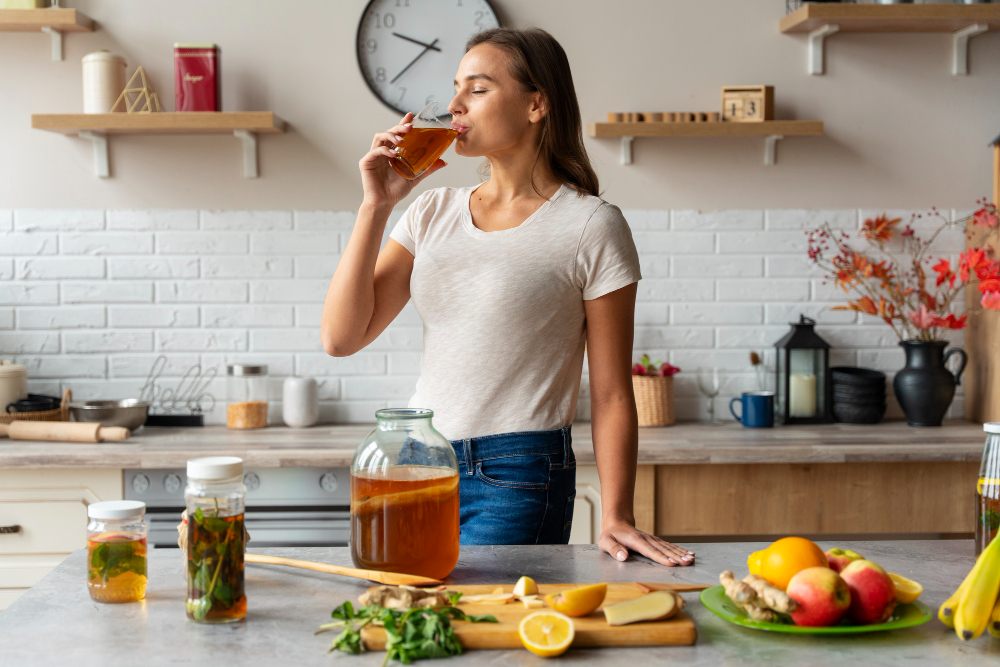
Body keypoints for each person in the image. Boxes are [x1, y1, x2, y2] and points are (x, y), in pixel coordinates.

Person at [322, 27, 694, 567]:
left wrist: (617, 514)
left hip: (517, 474)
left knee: (489, 634)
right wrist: (374, 206)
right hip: (419, 462)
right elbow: (340, 337)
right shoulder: (431, 211)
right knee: (413, 620)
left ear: (536, 104)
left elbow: (613, 393)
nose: (453, 106)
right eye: (455, 88)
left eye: (477, 89)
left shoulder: (591, 225)